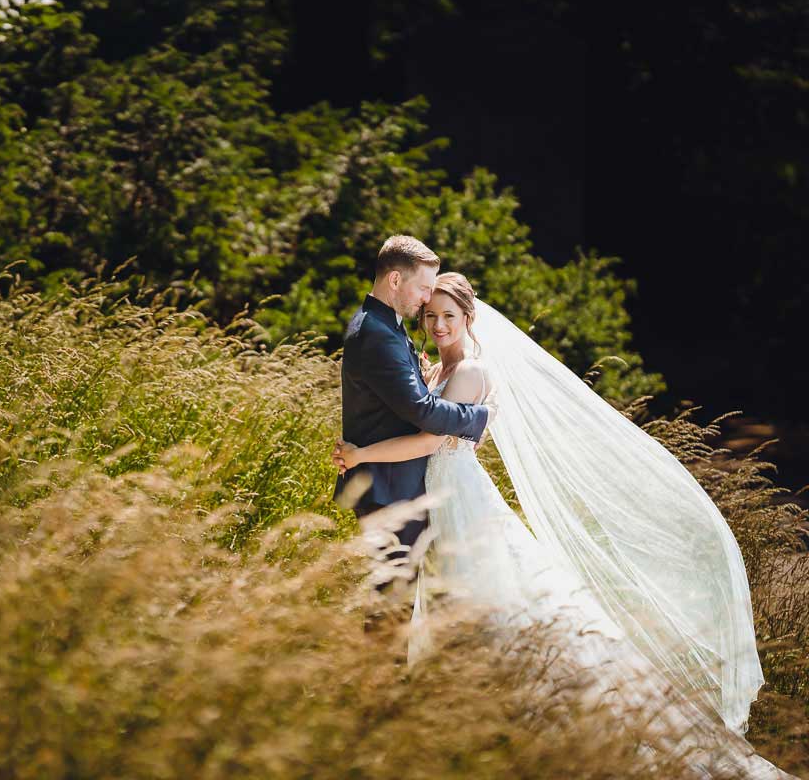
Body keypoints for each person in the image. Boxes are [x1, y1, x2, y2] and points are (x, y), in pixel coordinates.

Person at [333, 272, 793, 778]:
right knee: (468, 613)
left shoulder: (469, 373)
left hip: (459, 499)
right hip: (443, 500)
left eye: (449, 316)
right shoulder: (442, 369)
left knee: (493, 612)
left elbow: (426, 443)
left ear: (469, 318)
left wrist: (360, 455)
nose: (439, 324)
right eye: (431, 316)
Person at [332, 236, 490, 587]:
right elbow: (420, 409)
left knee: (401, 603)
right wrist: (478, 417)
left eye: (446, 313)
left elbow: (405, 399)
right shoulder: (377, 332)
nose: (424, 303)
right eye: (423, 291)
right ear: (395, 280)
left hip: (403, 487)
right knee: (392, 607)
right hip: (391, 488)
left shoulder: (384, 326)